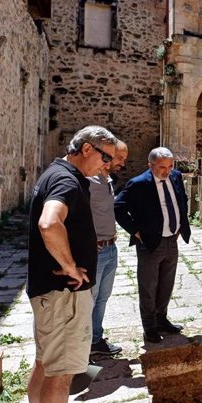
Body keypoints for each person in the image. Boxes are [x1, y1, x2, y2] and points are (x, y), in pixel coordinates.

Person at [27, 125, 117, 403]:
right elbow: (49, 223)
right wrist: (69, 265)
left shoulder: (54, 173)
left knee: (45, 365)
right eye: (106, 158)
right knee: (62, 375)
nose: (108, 166)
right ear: (87, 149)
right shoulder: (67, 180)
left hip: (49, 293)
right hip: (63, 295)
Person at [114, 146, 191, 343]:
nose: (167, 171)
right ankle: (149, 327)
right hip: (150, 242)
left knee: (166, 284)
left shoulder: (175, 177)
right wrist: (135, 231)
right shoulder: (139, 184)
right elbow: (118, 207)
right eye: (162, 167)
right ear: (150, 165)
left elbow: (181, 200)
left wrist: (181, 225)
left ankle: (161, 319)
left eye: (170, 166)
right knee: (148, 286)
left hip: (172, 240)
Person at [87, 140, 128, 356]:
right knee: (89, 300)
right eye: (119, 158)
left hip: (111, 247)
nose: (122, 163)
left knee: (103, 297)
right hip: (96, 250)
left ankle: (96, 339)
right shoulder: (88, 180)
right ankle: (83, 346)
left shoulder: (106, 179)